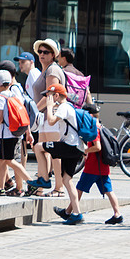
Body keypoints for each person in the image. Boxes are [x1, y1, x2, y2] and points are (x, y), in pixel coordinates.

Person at [40, 83, 85, 224]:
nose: (48, 99)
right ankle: (76, 213)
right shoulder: (67, 107)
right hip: (76, 148)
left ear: (57, 96)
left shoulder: (64, 107)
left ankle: (44, 180)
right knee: (67, 179)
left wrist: (49, 107)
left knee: (38, 146)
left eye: (49, 96)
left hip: (70, 146)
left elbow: (52, 121)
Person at [27, 38, 66, 193]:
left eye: (46, 52)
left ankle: (58, 186)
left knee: (53, 152)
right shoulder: (46, 70)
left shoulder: (52, 70)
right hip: (46, 117)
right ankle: (44, 183)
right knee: (45, 150)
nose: (42, 54)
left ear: (53, 55)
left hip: (52, 116)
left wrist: (34, 110)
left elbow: (51, 93)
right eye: (40, 51)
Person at [0, 70, 31, 195]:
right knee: (1, 158)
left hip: (6, 135)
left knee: (9, 160)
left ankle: (31, 182)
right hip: (16, 133)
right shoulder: (13, 96)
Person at [76, 109, 124, 225]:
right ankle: (117, 214)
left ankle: (69, 212)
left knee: (79, 190)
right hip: (103, 166)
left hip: (92, 167)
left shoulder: (94, 129)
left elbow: (97, 147)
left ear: (90, 115)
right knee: (109, 191)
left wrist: (85, 150)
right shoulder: (102, 127)